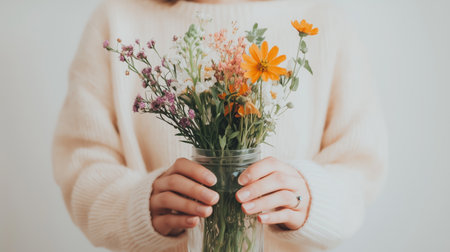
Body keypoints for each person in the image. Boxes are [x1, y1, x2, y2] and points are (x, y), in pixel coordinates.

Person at [52, 0, 388, 251]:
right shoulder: (115, 21)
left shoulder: (325, 24)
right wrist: (138, 206)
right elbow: (81, 168)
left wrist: (308, 198)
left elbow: (360, 169)